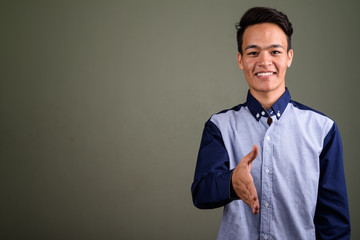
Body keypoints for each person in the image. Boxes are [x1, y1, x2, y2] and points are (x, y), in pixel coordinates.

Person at [191, 7, 350, 240]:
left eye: (275, 51)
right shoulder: (220, 126)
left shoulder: (323, 129)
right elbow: (201, 193)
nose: (264, 61)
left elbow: (333, 221)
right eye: (253, 53)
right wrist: (232, 182)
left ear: (289, 57)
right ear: (240, 60)